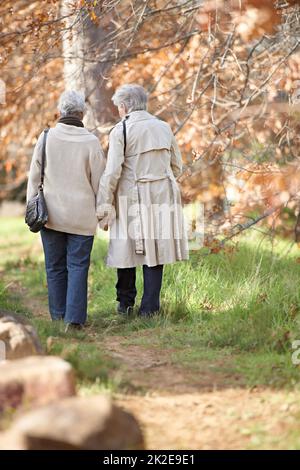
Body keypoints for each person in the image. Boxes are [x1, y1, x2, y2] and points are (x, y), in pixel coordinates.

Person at [98, 84, 189, 317]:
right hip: (162, 196)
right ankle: (150, 309)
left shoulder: (121, 131)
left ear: (124, 106)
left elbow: (112, 173)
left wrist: (104, 204)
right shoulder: (164, 127)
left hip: (131, 196)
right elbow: (177, 165)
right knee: (155, 251)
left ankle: (125, 305)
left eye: (119, 105)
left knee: (124, 251)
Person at [27, 90, 105, 331]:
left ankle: (58, 317)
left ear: (60, 112)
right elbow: (99, 182)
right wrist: (103, 212)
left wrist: (32, 206)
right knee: (78, 266)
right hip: (82, 218)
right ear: (81, 113)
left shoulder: (47, 137)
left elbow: (34, 176)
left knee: (54, 267)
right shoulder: (91, 141)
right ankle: (74, 320)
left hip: (51, 216)